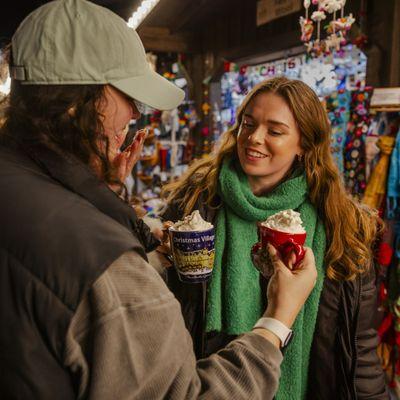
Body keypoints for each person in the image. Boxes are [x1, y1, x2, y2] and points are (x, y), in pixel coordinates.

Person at [0, 1, 318, 399]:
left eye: (276, 130)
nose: (135, 111)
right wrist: (277, 320)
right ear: (77, 100)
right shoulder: (109, 265)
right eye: (126, 94)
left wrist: (103, 192)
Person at [162, 76, 389, 399]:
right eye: (247, 124)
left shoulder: (343, 226)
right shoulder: (195, 203)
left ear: (305, 145)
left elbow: (358, 349)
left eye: (275, 131)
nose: (254, 138)